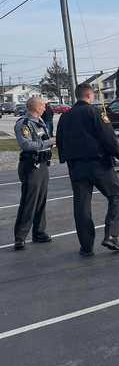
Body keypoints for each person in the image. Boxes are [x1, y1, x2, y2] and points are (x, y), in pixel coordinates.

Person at [56, 83, 119, 257]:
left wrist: (67, 159)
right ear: (89, 96)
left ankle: (86, 247)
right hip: (98, 164)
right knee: (116, 195)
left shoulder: (65, 117)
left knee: (81, 206)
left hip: (76, 167)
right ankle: (111, 235)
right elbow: (107, 136)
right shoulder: (95, 112)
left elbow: (60, 141)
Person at [13, 96, 54, 250]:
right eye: (43, 105)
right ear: (35, 107)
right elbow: (26, 144)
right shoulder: (24, 123)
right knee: (29, 201)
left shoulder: (40, 121)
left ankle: (39, 232)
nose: (45, 107)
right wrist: (50, 142)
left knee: (41, 200)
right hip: (31, 166)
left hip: (42, 165)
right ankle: (20, 236)